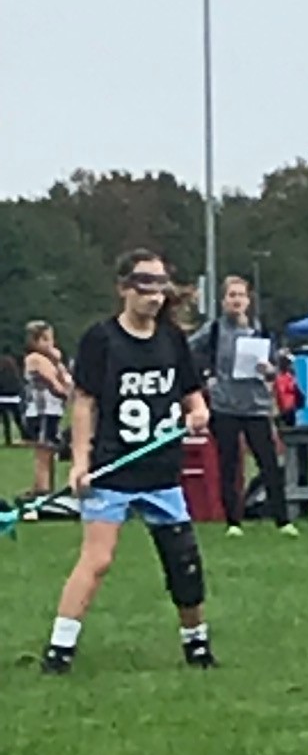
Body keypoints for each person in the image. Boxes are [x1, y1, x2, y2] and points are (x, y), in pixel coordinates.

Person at [41, 250, 215, 673]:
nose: (154, 294)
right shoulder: (101, 339)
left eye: (160, 285)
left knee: (183, 563)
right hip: (114, 468)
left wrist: (198, 413)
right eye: (144, 284)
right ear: (123, 288)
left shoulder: (172, 339)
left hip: (161, 472)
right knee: (97, 560)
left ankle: (196, 645)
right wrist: (80, 462)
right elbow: (84, 402)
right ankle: (59, 650)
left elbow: (191, 394)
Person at [190, 276, 296, 536]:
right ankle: (233, 522)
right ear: (223, 300)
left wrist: (269, 370)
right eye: (231, 295)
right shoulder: (214, 330)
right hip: (225, 406)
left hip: (256, 406)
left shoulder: (261, 331)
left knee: (269, 463)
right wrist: (205, 377)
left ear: (248, 300)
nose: (236, 300)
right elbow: (187, 349)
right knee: (228, 464)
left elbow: (275, 368)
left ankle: (283, 519)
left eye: (241, 295)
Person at [21, 321, 73, 497]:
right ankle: (41, 488)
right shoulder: (35, 359)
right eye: (46, 339)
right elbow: (54, 384)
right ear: (35, 341)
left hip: (52, 411)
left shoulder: (50, 360)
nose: (51, 343)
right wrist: (69, 395)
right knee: (43, 450)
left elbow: (66, 380)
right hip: (41, 411)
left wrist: (58, 362)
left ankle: (47, 487)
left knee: (49, 449)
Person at [0, 353, 21, 445]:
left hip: (2, 396)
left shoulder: (2, 370)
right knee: (18, 419)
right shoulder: (14, 371)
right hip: (14, 396)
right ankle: (26, 436)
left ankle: (8, 439)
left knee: (5, 420)